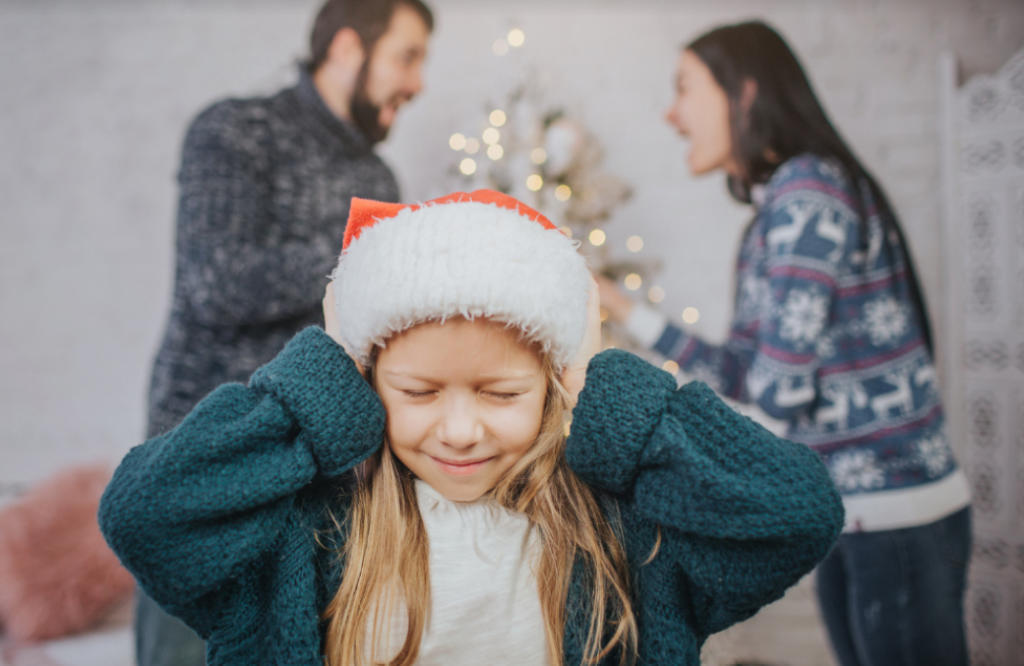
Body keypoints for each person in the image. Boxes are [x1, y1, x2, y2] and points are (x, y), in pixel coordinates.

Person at [100, 190, 844, 666]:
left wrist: (596, 380)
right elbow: (142, 514)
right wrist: (319, 377)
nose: (459, 430)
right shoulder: (308, 539)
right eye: (418, 391)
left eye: (500, 392)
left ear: (552, 386)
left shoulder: (622, 535)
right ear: (363, 385)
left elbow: (796, 513)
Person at [598, 21, 972, 666]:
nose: (671, 112)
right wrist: (620, 305)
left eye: (684, 88)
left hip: (896, 513)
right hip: (855, 513)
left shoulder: (807, 193)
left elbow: (778, 391)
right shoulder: (778, 210)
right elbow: (744, 370)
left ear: (743, 94)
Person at [138, 1, 434, 664]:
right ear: (350, 47)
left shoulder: (378, 177)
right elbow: (216, 281)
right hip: (209, 445)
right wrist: (361, 252)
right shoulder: (237, 128)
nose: (417, 84)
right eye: (407, 57)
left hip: (320, 463)